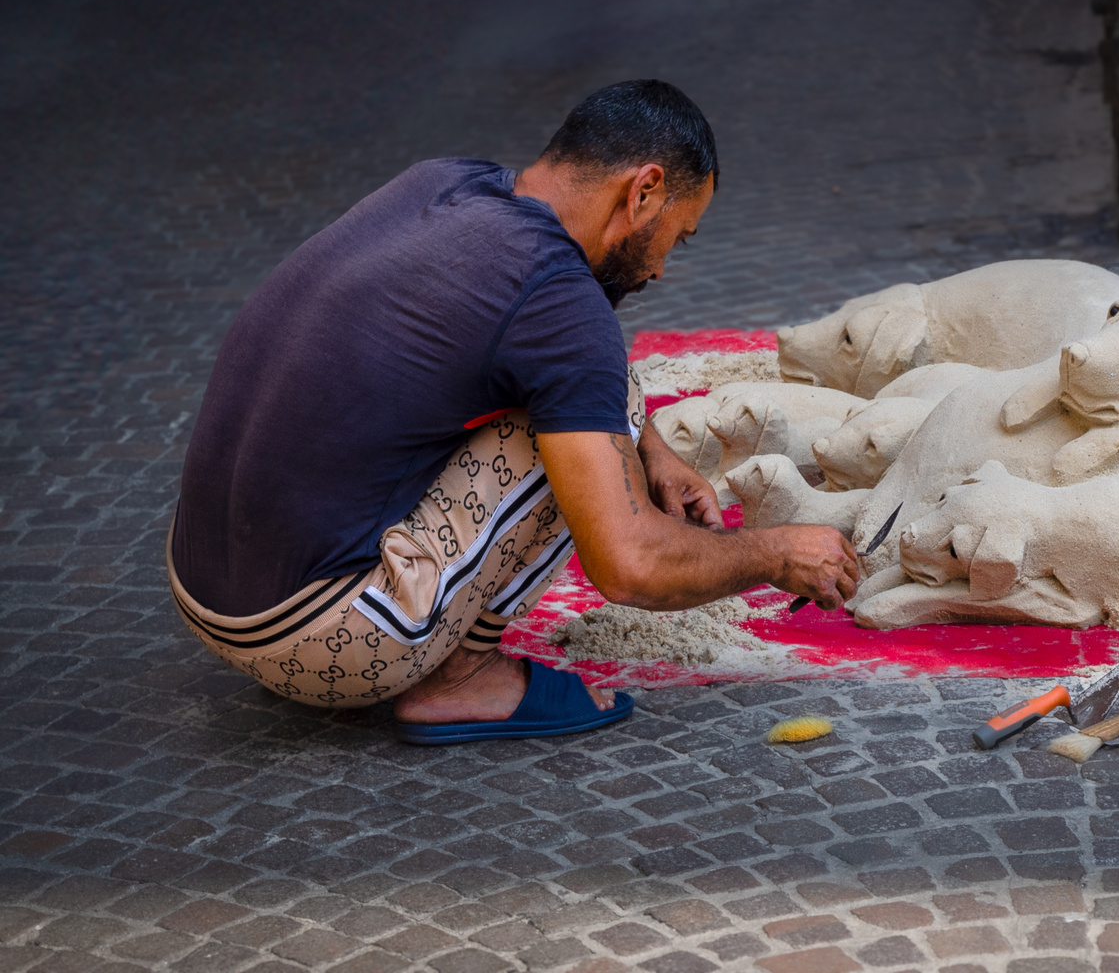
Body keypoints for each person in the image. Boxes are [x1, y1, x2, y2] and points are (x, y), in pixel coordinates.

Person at [168, 80, 860, 744]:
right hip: (323, 643)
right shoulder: (558, 300)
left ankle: (406, 635)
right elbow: (629, 567)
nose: (658, 271)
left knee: (591, 393)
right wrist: (773, 552)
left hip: (207, 598)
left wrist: (652, 451)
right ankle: (462, 678)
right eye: (675, 237)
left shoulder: (440, 182)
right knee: (565, 422)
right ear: (643, 190)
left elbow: (547, 357)